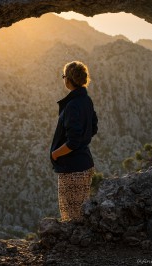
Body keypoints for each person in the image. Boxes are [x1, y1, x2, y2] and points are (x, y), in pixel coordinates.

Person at [50, 61, 98, 222]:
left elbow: (73, 142)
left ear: (69, 80)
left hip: (72, 168)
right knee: (80, 213)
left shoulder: (72, 105)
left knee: (71, 216)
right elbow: (94, 128)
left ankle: (76, 246)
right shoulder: (86, 100)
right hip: (85, 164)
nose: (64, 80)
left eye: (64, 76)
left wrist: (55, 154)